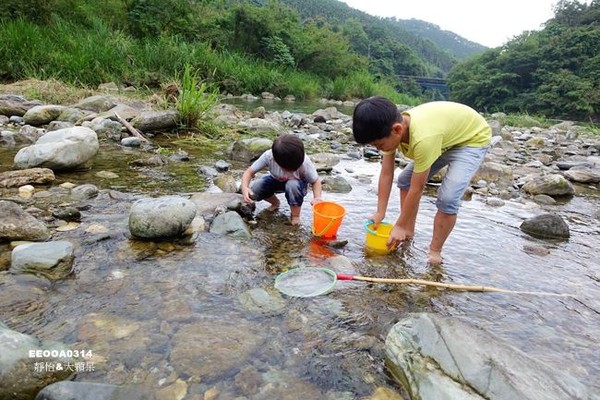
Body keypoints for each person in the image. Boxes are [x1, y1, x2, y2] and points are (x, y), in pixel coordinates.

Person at [352, 96, 491, 264]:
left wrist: (399, 225)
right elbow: (386, 174)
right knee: (405, 179)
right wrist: (380, 212)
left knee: (448, 199)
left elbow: (417, 188)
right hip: (445, 136)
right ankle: (408, 231)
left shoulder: (423, 139)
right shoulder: (391, 130)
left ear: (397, 130)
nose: (378, 149)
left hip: (471, 139)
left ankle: (435, 250)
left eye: (379, 145)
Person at [241, 134, 323, 225]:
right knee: (257, 187)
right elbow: (249, 172)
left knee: (292, 185)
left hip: (296, 185)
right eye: (288, 169)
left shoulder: (305, 162)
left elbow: (315, 181)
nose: (291, 171)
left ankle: (295, 215)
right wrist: (245, 188)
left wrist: (317, 197)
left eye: (294, 168)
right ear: (275, 160)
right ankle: (275, 203)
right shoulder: (269, 156)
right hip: (275, 180)